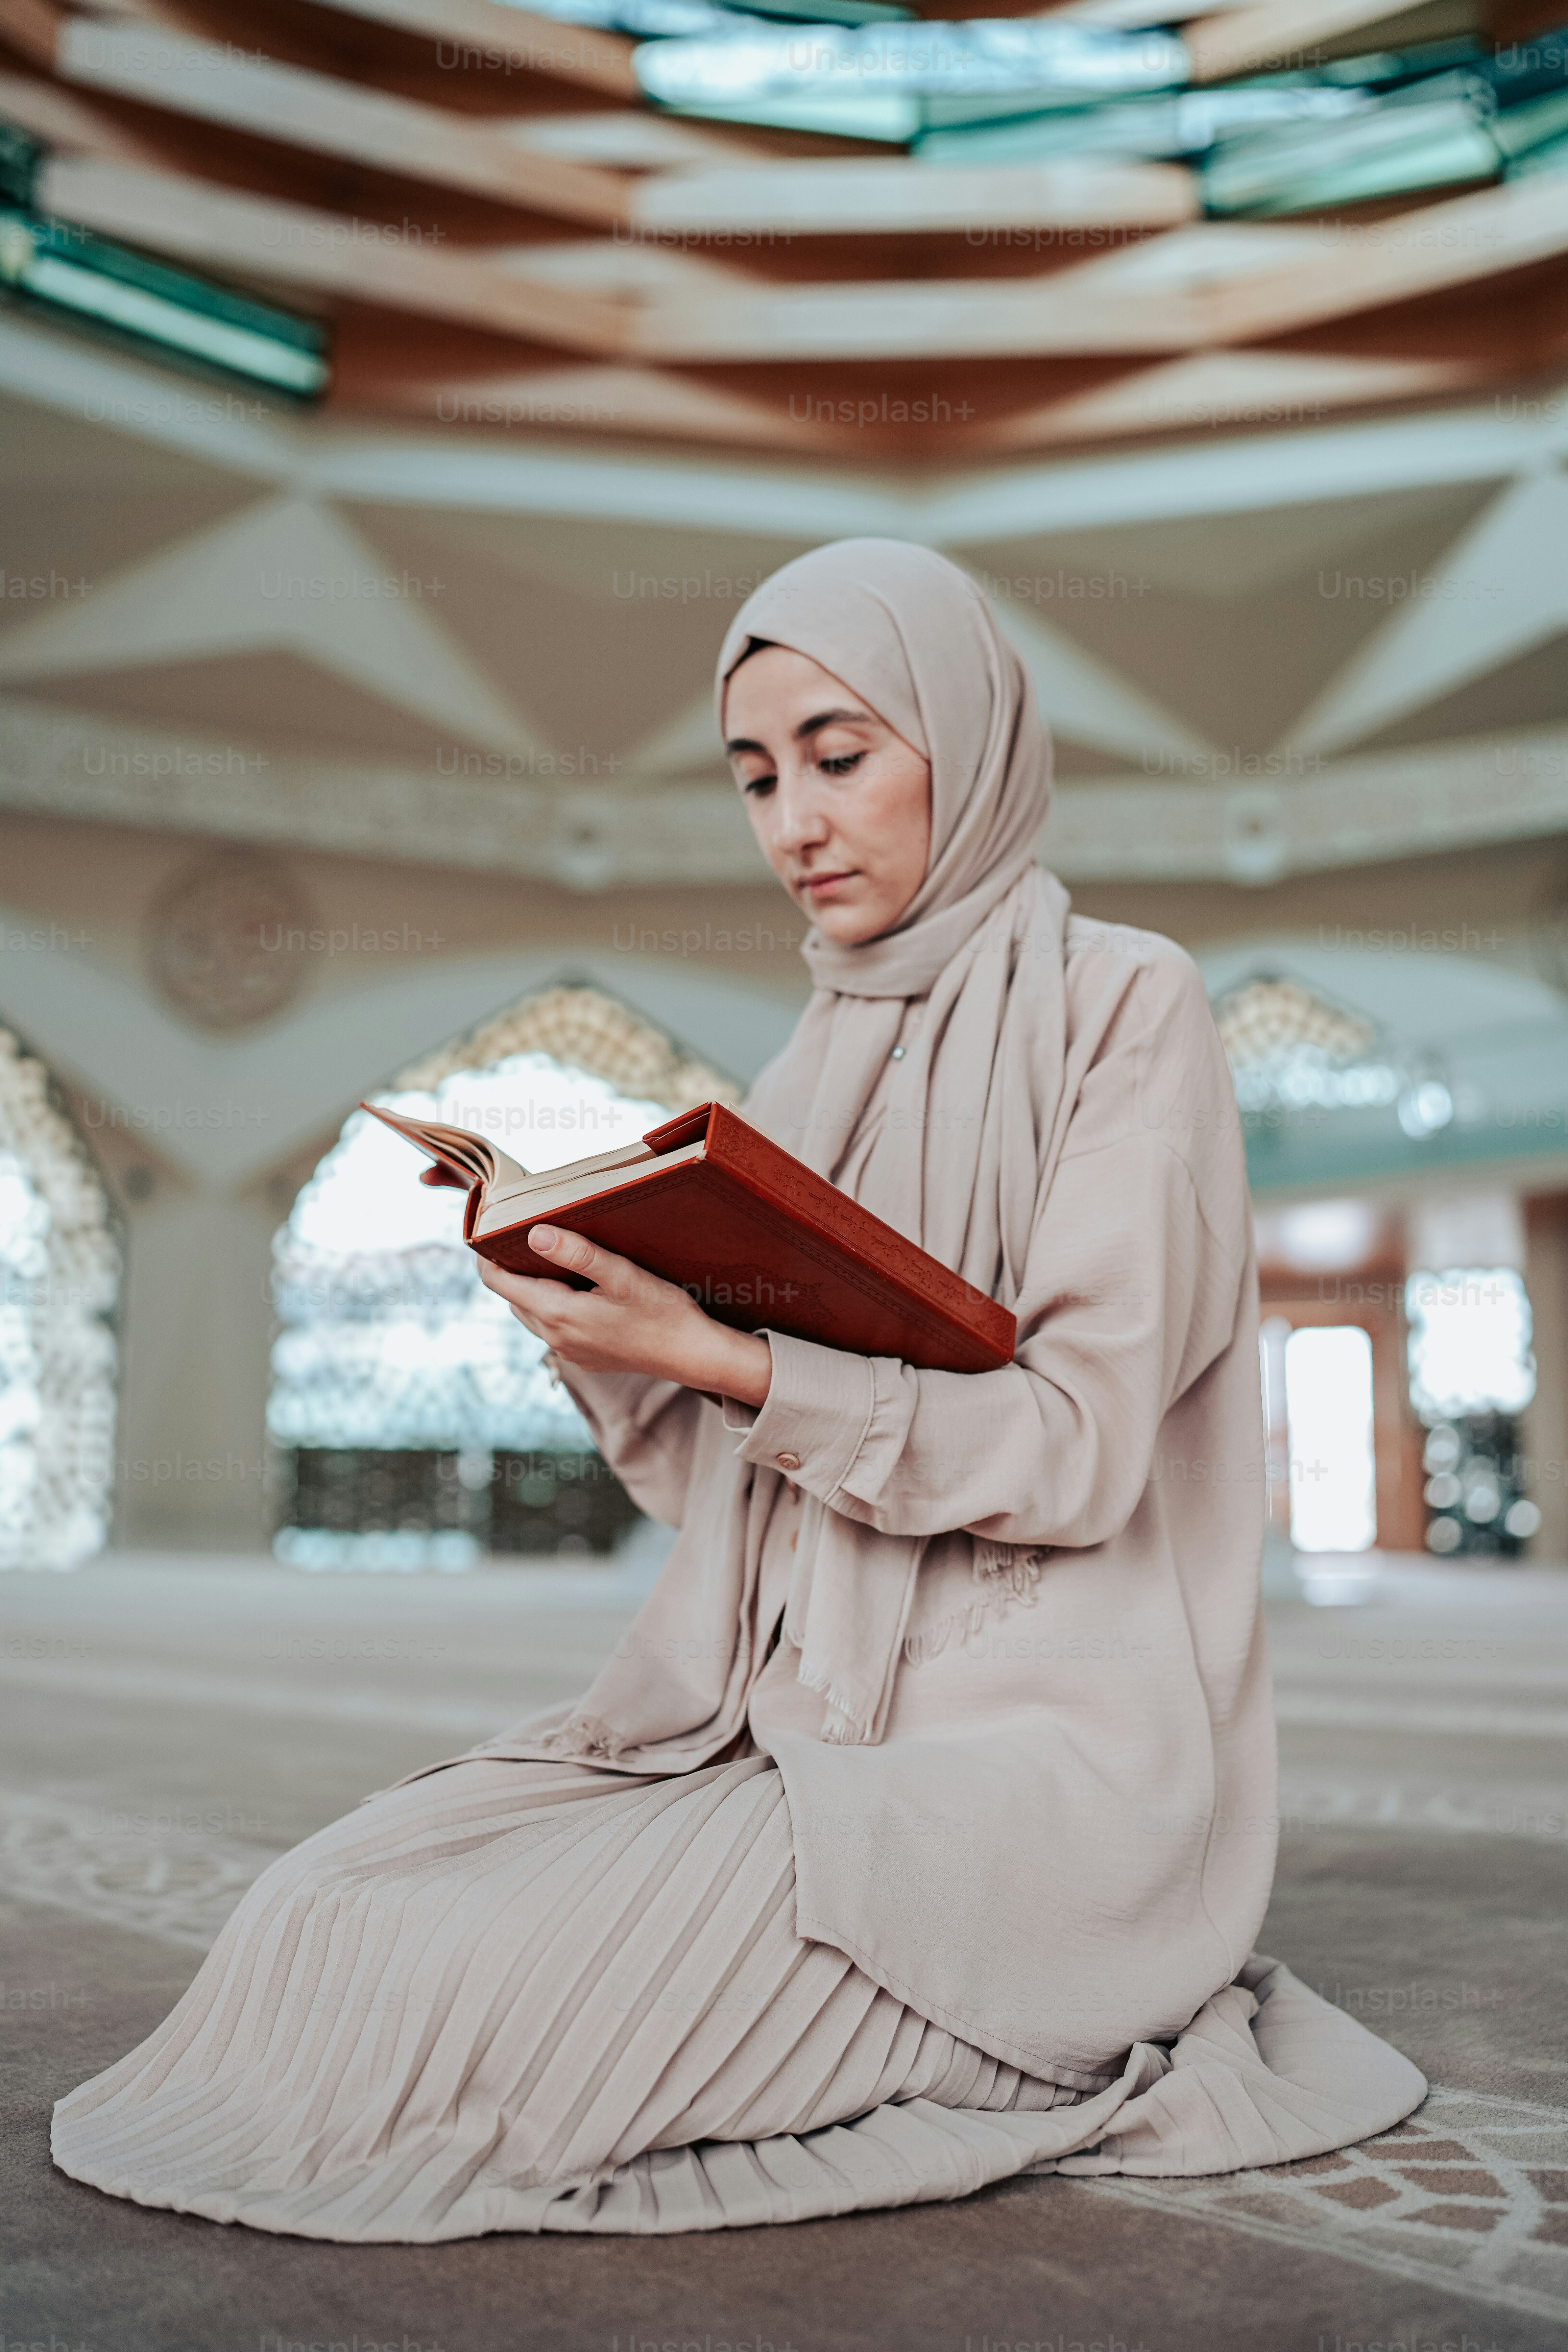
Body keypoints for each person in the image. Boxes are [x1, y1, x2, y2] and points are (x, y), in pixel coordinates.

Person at [52, 539, 1423, 2241]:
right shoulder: (807, 1056)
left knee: (492, 1994)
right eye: (756, 775)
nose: (794, 824)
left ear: (967, 742)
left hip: (1024, 1762)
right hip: (779, 1724)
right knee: (332, 1904)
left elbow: (1072, 1456)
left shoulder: (1116, 1006)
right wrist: (600, 1331)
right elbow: (742, 1502)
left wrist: (723, 1356)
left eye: (840, 756)